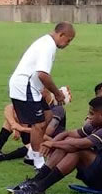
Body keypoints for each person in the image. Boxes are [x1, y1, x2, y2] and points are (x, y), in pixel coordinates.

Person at [9, 96, 102, 194]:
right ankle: (35, 181)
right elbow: (68, 134)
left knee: (77, 150)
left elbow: (78, 144)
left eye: (92, 113)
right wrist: (54, 141)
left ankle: (39, 188)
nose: (89, 117)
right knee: (68, 142)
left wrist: (52, 144)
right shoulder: (97, 124)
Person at [8, 22, 75, 170]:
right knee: (38, 124)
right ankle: (38, 162)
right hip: (24, 86)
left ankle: (31, 153)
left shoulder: (45, 42)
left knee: (48, 115)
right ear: (61, 35)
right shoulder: (48, 46)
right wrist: (57, 94)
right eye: (68, 40)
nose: (67, 44)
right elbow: (43, 74)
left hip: (31, 87)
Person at [0, 89, 67, 163]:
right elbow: (9, 108)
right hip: (34, 134)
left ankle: (5, 157)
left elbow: (47, 131)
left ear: (47, 91)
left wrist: (21, 128)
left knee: (41, 136)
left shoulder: (57, 109)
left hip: (50, 140)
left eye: (39, 89)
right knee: (12, 118)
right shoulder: (35, 101)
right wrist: (14, 125)